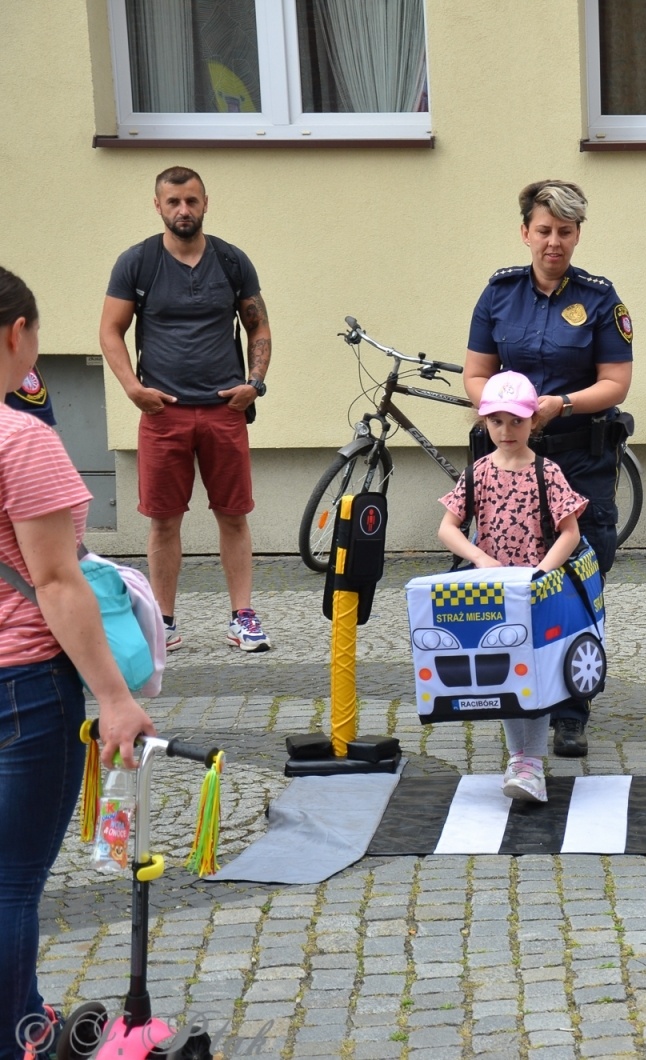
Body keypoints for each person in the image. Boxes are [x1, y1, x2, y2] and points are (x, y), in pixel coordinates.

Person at [0, 267, 156, 1060]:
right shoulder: (22, 439)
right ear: (14, 335)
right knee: (11, 880)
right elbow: (57, 583)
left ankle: (23, 1011)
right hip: (23, 684)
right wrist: (115, 696)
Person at [464, 179, 633, 759]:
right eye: (544, 231)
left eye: (565, 232)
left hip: (580, 453)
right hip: (512, 455)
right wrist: (504, 410)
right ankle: (517, 688)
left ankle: (570, 709)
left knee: (578, 574)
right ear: (525, 233)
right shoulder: (499, 293)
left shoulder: (602, 299)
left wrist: (561, 405)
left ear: (577, 235)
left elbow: (616, 382)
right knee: (516, 570)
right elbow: (475, 375)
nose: (553, 242)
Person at [99, 166, 272, 654]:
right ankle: (164, 623)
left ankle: (243, 618)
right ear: (158, 205)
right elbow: (111, 330)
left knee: (234, 516)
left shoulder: (231, 261)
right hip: (163, 413)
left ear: (205, 203)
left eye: (191, 201)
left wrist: (253, 386)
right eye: (173, 202)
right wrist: (133, 389)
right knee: (163, 520)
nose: (183, 210)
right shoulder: (138, 262)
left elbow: (258, 326)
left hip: (223, 410)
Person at [438, 372, 586, 803]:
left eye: (516, 422)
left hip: (535, 592)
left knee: (536, 672)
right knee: (506, 672)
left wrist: (541, 572)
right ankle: (518, 758)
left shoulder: (548, 472)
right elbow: (448, 528)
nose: (506, 431)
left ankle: (531, 763)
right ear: (483, 421)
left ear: (533, 422)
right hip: (495, 592)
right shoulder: (479, 473)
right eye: (496, 422)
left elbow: (570, 533)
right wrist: (480, 558)